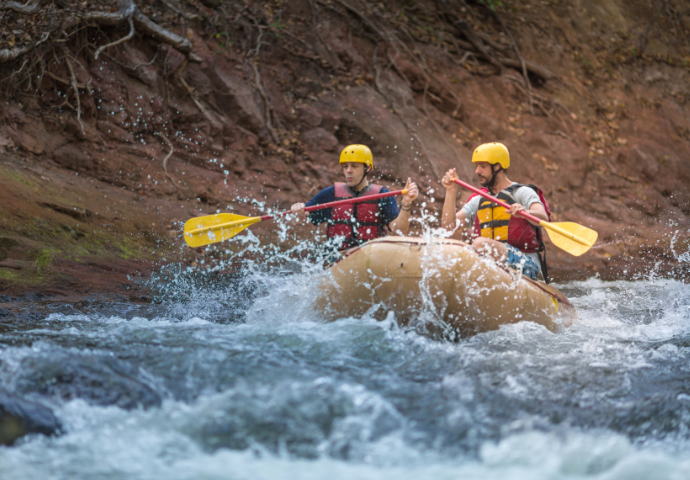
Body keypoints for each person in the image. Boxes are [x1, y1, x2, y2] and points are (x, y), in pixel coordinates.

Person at [441, 142, 549, 280]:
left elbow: (543, 218)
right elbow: (448, 228)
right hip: (494, 260)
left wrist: (526, 212)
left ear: (498, 166)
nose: (477, 171)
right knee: (456, 246)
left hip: (526, 263)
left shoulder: (522, 193)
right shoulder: (479, 199)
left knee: (480, 244)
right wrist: (450, 191)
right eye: (477, 166)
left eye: (483, 166)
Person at [291, 144, 419, 250]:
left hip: (371, 257)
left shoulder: (382, 195)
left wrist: (406, 204)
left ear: (367, 168)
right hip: (337, 259)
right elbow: (305, 212)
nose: (349, 171)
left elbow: (399, 232)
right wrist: (299, 208)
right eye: (345, 166)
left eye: (354, 166)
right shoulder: (330, 194)